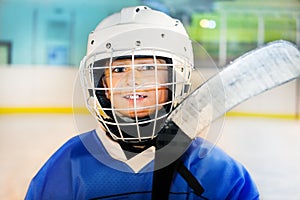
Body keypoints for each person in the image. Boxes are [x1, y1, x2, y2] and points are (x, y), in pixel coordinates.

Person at [25, 6, 259, 200]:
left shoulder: (222, 176)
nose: (133, 80)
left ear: (175, 78)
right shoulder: (66, 167)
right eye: (118, 69)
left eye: (148, 68)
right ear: (102, 85)